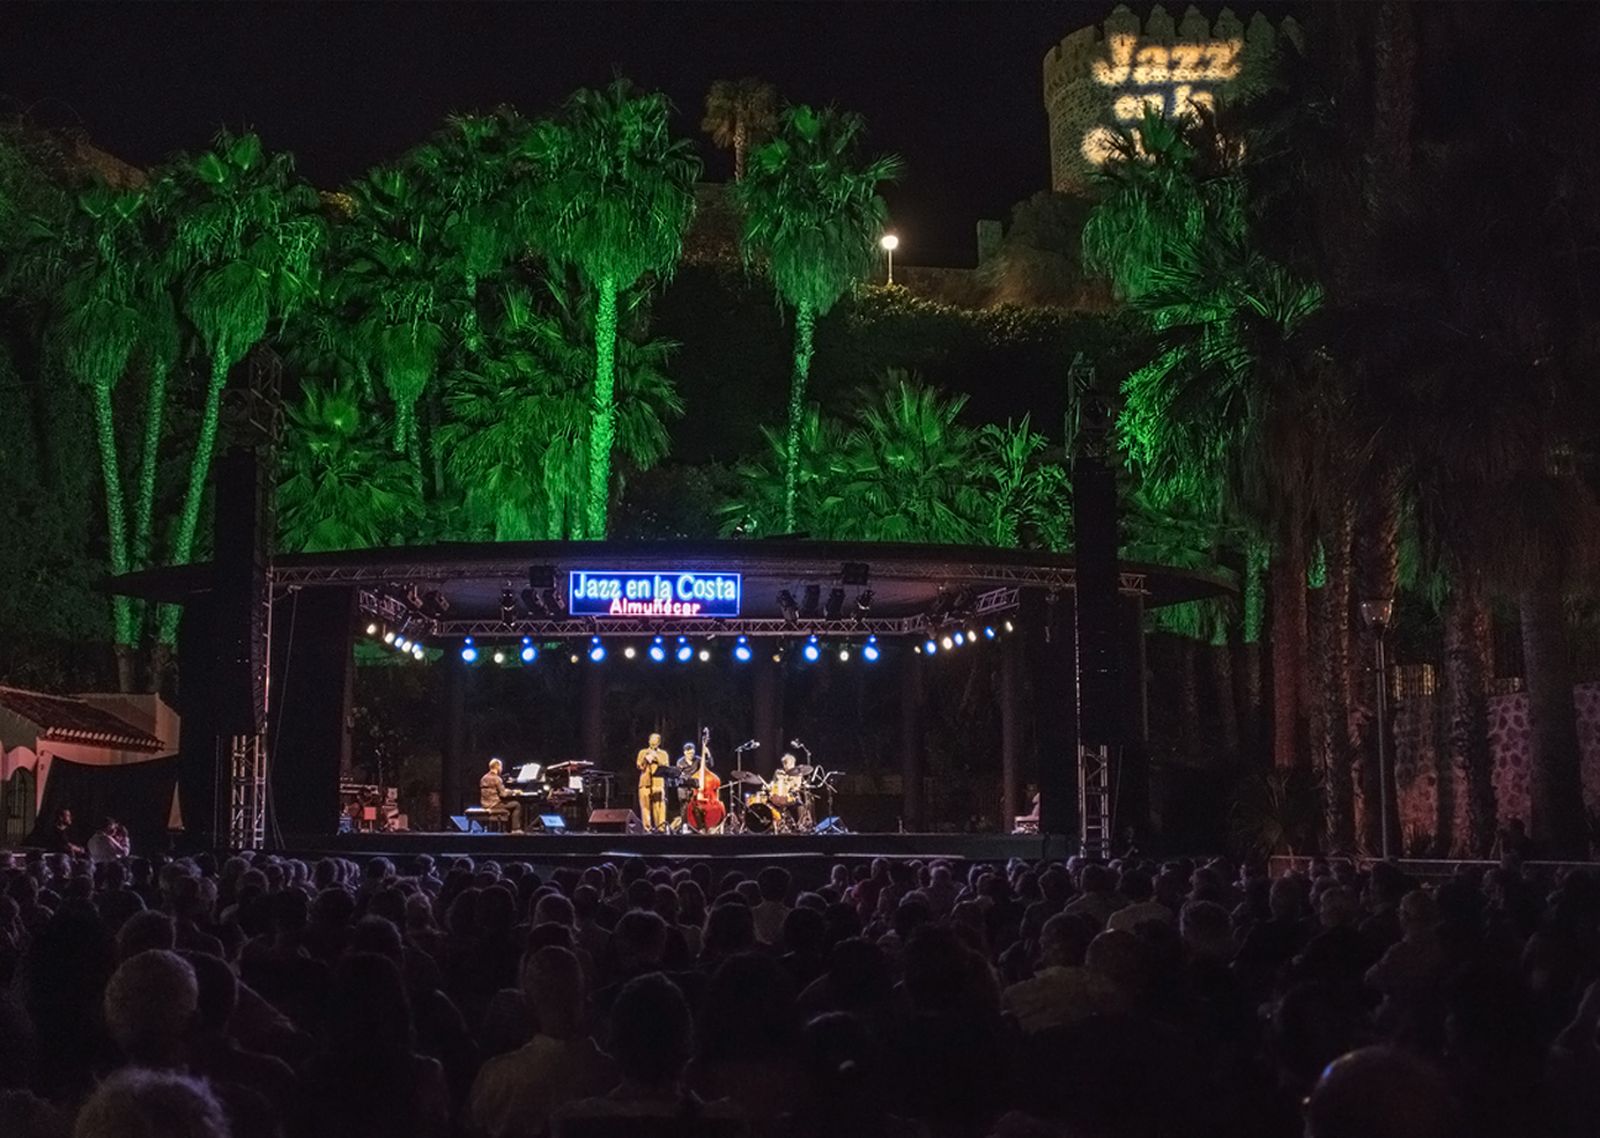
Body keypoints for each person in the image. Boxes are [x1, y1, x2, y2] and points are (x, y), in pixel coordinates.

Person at [469, 946, 616, 1138]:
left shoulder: (497, 1077)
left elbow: (471, 1126)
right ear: (584, 997)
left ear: (527, 1003)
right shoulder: (611, 1073)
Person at [635, 734, 668, 832]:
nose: (653, 742)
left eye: (656, 740)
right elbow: (639, 766)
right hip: (645, 782)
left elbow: (665, 765)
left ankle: (660, 827)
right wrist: (646, 758)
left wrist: (655, 757)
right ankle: (647, 828)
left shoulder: (663, 753)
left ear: (659, 742)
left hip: (658, 782)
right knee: (645, 806)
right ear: (649, 741)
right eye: (652, 739)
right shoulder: (643, 752)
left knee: (659, 805)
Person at [481, 759, 524, 834]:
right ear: (497, 767)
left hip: (485, 804)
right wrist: (514, 792)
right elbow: (503, 794)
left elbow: (493, 790)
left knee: (509, 805)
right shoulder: (497, 779)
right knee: (516, 805)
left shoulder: (484, 778)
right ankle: (515, 829)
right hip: (495, 804)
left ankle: (508, 829)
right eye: (501, 766)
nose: (501, 769)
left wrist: (506, 790)